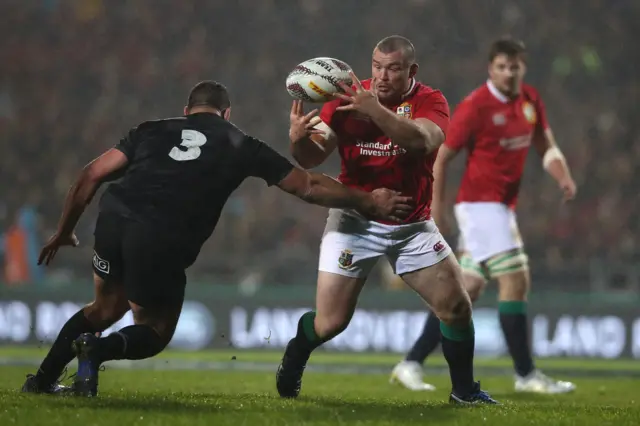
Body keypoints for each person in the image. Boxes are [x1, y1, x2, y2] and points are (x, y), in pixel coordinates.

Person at [21, 80, 415, 397]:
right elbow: (307, 185)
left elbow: (91, 174)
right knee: (155, 329)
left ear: (186, 110)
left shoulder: (150, 130)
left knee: (104, 309)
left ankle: (42, 380)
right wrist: (366, 200)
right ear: (227, 114)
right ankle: (97, 350)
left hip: (113, 218)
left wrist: (65, 229)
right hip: (161, 235)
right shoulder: (239, 142)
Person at [275, 35, 498, 405]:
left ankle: (464, 392)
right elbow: (313, 159)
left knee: (457, 308)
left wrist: (375, 109)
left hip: (411, 227)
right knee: (330, 323)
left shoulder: (431, 100)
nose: (381, 76)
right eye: (376, 66)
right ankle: (296, 354)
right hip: (354, 222)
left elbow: (421, 142)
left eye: (393, 69)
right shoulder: (346, 98)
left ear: (412, 71)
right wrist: (298, 141)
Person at [392, 37, 577, 394]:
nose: (509, 73)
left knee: (466, 290)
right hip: (480, 206)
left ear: (523, 67)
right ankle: (526, 375)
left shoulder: (529, 101)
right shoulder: (476, 106)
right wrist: (436, 208)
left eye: (514, 67)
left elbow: (546, 145)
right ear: (491, 69)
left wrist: (563, 176)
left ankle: (410, 363)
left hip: (500, 207)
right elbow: (443, 156)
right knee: (515, 280)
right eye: (502, 67)